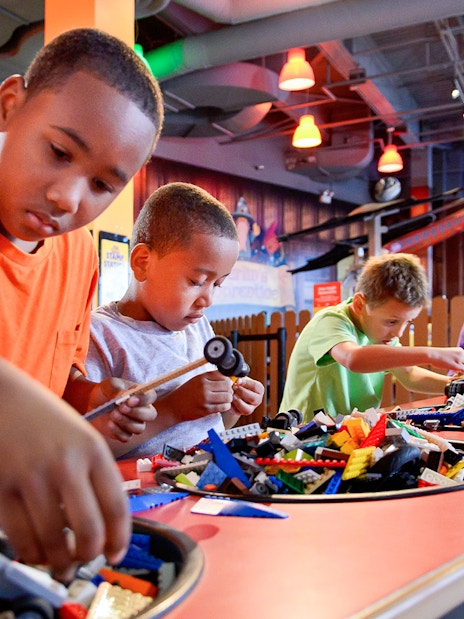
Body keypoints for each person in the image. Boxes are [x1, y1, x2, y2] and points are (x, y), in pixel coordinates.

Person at [0, 28, 164, 574]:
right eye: (58, 152)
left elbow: (55, 379)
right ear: (10, 106)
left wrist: (96, 396)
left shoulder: (78, 255)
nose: (67, 197)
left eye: (102, 186)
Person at [85, 182, 265, 459]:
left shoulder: (198, 327)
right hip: (146, 494)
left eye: (217, 285)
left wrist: (230, 407)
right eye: (197, 281)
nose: (208, 300)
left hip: (206, 478)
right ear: (143, 262)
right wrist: (173, 409)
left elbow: (205, 430)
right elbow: (89, 447)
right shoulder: (100, 334)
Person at [279, 253, 464, 421]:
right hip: (302, 433)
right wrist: (431, 354)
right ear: (360, 304)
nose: (398, 333)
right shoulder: (330, 321)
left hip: (348, 431)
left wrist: (453, 386)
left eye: (408, 322)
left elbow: (409, 375)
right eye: (391, 322)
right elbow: (354, 359)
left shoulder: (379, 334)